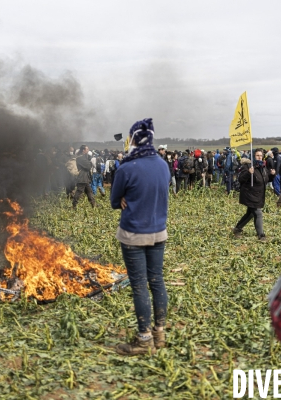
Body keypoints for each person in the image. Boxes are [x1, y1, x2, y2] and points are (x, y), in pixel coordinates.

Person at [111, 118, 170, 355]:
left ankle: (144, 339)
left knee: (139, 286)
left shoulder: (126, 167)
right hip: (159, 232)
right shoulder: (163, 165)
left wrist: (126, 199)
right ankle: (160, 333)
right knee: (157, 280)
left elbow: (115, 201)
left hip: (134, 234)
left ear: (133, 139)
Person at [232, 149, 269, 241]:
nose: (259, 157)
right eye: (257, 155)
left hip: (258, 194)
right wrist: (249, 173)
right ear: (253, 156)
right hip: (249, 194)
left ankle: (237, 228)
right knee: (258, 213)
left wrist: (272, 175)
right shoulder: (248, 166)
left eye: (261, 155)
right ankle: (261, 235)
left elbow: (265, 179)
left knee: (250, 214)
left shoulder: (262, 167)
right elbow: (241, 179)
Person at [72, 145, 96, 209]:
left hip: (85, 177)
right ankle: (74, 205)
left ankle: (93, 204)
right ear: (83, 150)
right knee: (79, 191)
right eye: (87, 149)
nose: (88, 150)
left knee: (89, 191)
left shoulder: (83, 157)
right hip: (82, 177)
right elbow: (88, 166)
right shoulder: (81, 158)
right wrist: (90, 162)